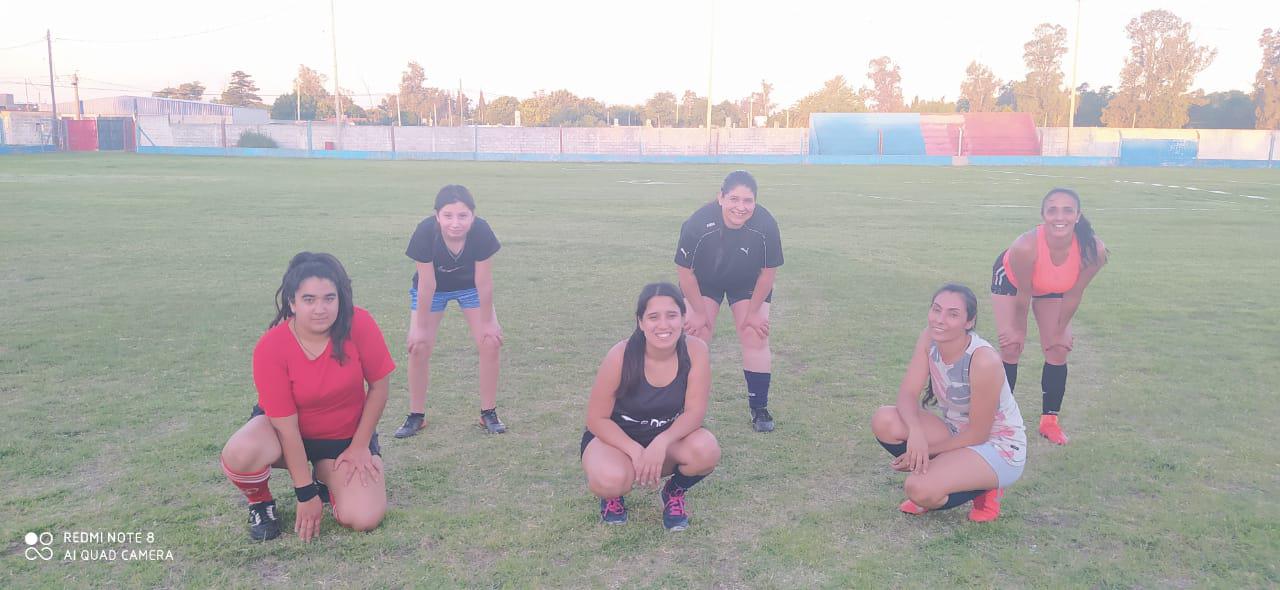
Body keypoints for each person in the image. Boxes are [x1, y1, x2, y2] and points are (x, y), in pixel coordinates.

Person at [220, 252, 395, 541]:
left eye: (329, 298)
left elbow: (379, 387)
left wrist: (361, 446)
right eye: (309, 299)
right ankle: (261, 503)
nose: (320, 309)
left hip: (343, 440)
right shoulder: (272, 346)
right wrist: (305, 493)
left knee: (364, 518)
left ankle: (327, 475)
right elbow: (286, 429)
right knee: (242, 450)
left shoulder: (359, 323)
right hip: (287, 436)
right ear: (292, 302)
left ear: (340, 298)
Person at [870, 283, 1027, 522]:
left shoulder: (983, 360)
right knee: (885, 419)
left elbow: (978, 434)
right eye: (936, 309)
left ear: (969, 322)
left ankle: (986, 486)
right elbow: (907, 394)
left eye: (952, 314)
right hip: (956, 432)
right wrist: (916, 435)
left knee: (918, 489)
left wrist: (925, 451)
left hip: (997, 446)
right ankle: (947, 472)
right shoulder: (929, 338)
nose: (940, 320)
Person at [580, 282, 720, 531]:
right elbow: (596, 419)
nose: (664, 325)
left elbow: (695, 412)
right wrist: (635, 451)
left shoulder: (696, 351)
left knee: (706, 450)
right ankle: (612, 497)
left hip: (665, 439)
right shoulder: (620, 355)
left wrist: (661, 443)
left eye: (672, 315)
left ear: (683, 318)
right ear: (641, 322)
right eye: (653, 317)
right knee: (610, 480)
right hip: (617, 441)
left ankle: (673, 493)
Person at [990, 188, 1107, 445]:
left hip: (1053, 285)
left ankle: (1049, 422)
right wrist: (1018, 330)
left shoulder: (1093, 250)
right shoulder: (1025, 246)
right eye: (1052, 210)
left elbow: (1075, 293)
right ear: (1042, 215)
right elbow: (1024, 295)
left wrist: (1059, 329)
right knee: (1011, 346)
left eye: (1067, 210)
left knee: (1058, 348)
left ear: (1078, 216)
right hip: (1012, 282)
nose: (1059, 216)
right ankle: (1002, 420)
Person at [674, 170, 783, 432]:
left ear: (755, 202)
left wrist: (754, 312)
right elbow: (684, 273)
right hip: (704, 282)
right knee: (695, 336)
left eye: (748, 201)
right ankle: (681, 407)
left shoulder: (766, 225)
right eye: (734, 199)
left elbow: (767, 275)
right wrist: (698, 313)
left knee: (754, 334)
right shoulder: (698, 223)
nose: (741, 207)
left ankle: (759, 408)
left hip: (748, 282)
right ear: (720, 198)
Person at [394, 184, 506, 437]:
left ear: (472, 216)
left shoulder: (481, 231)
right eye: (448, 216)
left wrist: (488, 322)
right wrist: (420, 328)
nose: (455, 223)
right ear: (437, 216)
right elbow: (427, 283)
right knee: (419, 347)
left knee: (490, 342)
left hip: (470, 287)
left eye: (463, 216)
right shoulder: (425, 232)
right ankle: (416, 415)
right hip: (433, 290)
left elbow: (484, 281)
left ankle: (488, 412)